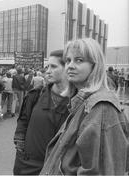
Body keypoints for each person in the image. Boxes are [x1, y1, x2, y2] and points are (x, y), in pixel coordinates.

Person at [40, 38, 129, 175]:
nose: (70, 65)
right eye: (68, 60)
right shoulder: (83, 102)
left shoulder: (102, 108)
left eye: (79, 60)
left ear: (95, 65)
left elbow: (104, 171)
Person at [13, 50, 71, 175]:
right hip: (28, 165)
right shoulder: (36, 95)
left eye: (54, 66)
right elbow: (23, 121)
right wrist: (21, 148)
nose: (48, 71)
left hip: (58, 168)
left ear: (68, 68)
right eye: (47, 66)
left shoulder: (78, 102)